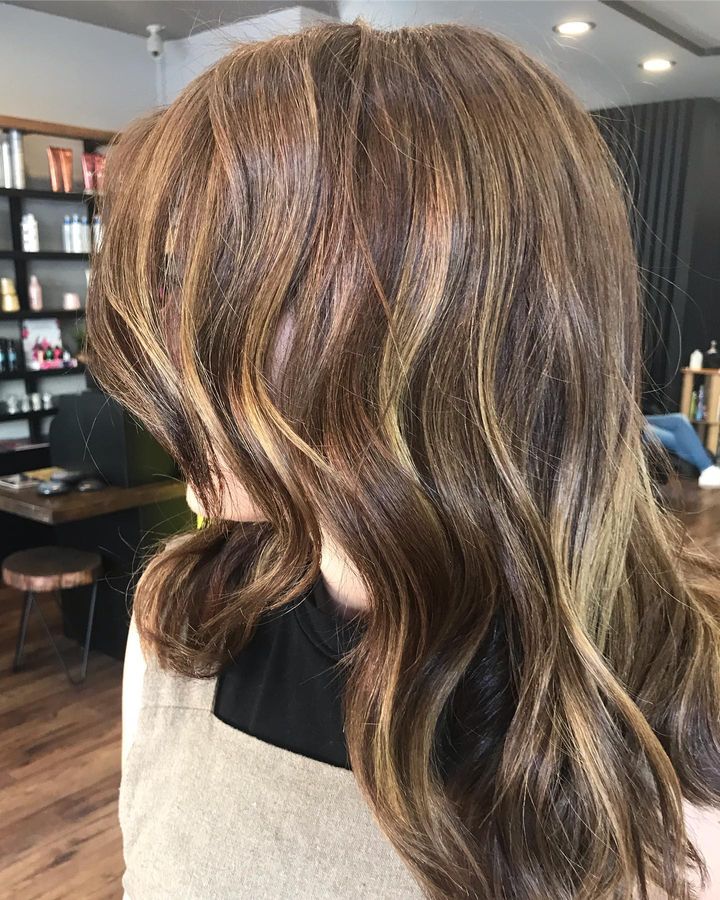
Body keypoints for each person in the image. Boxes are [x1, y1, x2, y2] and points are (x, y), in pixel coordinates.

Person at [86, 21, 720, 900]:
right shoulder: (184, 620)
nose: (171, 341)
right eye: (172, 276)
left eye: (227, 283)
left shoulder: (674, 747)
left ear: (449, 330)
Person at [645, 413, 720, 488]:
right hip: (643, 432)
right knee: (680, 422)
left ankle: (707, 468)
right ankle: (707, 468)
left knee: (679, 422)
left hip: (644, 428)